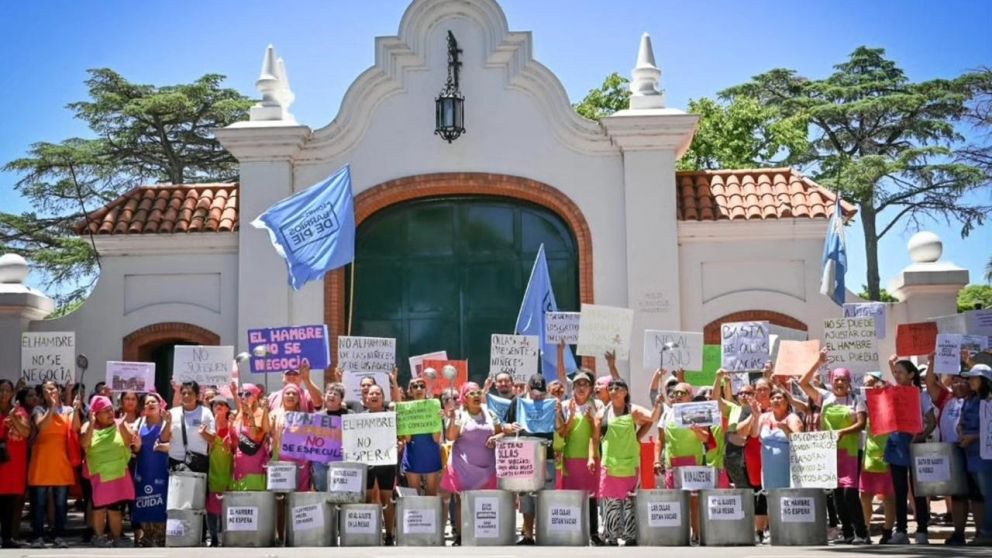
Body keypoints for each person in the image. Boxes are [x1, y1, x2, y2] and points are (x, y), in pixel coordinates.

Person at [800, 356, 869, 545]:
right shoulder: (825, 397)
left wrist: (843, 432)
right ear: (832, 381)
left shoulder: (857, 400)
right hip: (830, 452)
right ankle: (847, 533)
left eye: (843, 380)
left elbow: (861, 423)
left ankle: (861, 533)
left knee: (850, 493)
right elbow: (802, 382)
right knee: (837, 494)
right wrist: (818, 362)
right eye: (837, 379)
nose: (840, 383)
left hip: (853, 452)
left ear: (848, 382)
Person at [594, 378, 661, 546]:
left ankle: (630, 535)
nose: (613, 390)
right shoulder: (601, 414)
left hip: (630, 462)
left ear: (625, 392)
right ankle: (611, 535)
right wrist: (591, 457)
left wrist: (657, 404)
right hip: (609, 462)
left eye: (618, 387)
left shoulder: (633, 411)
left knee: (629, 500)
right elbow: (595, 439)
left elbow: (652, 418)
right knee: (611, 501)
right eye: (610, 387)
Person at [924, 352, 979, 546]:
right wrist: (931, 361)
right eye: (954, 381)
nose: (957, 385)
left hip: (974, 450)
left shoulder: (978, 399)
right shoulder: (946, 398)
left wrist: (969, 361)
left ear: (970, 383)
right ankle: (958, 533)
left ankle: (981, 532)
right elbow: (930, 383)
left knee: (976, 495)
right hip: (951, 451)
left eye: (962, 381)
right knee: (957, 495)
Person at [443, 382, 502, 546]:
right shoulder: (459, 414)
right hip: (463, 467)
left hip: (488, 467)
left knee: (485, 503)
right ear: (465, 398)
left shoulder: (490, 413)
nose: (476, 396)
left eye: (478, 393)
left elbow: (501, 432)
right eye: (471, 393)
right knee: (463, 502)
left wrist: (497, 437)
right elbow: (451, 437)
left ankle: (483, 535)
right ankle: (461, 537)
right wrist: (453, 418)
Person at [884, 356, 934, 544]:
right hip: (896, 443)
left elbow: (931, 421)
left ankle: (922, 530)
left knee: (918, 489)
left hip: (915, 444)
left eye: (900, 373)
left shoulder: (921, 395)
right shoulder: (892, 392)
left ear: (911, 375)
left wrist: (920, 436)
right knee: (899, 489)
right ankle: (901, 531)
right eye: (894, 372)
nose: (896, 376)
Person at [503, 374, 558, 545]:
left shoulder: (552, 403)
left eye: (541, 393)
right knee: (526, 497)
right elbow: (504, 425)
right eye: (534, 392)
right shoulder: (517, 402)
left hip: (547, 455)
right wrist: (511, 427)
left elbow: (562, 428)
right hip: (525, 457)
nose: (537, 396)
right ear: (527, 388)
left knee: (546, 495)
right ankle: (528, 534)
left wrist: (559, 413)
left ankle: (546, 533)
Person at [28, 380, 81, 548]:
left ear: (59, 390)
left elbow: (76, 428)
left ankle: (59, 535)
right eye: (45, 390)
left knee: (60, 503)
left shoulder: (68, 410)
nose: (49, 392)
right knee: (39, 503)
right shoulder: (39, 410)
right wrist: (51, 408)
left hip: (61, 462)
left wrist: (77, 409)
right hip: (41, 461)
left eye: (52, 389)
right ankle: (38, 536)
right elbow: (41, 426)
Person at [655, 382, 711, 541]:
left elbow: (705, 438)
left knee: (694, 500)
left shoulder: (697, 412)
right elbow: (660, 440)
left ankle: (696, 533)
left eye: (682, 393)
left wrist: (696, 430)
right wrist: (656, 461)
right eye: (675, 393)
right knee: (675, 500)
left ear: (690, 396)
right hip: (672, 463)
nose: (678, 396)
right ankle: (679, 534)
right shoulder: (667, 414)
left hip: (693, 462)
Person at [81, 395, 138, 547]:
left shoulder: (120, 424)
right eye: (105, 411)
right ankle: (99, 537)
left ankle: (116, 539)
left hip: (118, 474)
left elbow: (128, 442)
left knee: (115, 509)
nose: (110, 413)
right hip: (99, 476)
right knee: (99, 508)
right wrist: (92, 423)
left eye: (110, 410)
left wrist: (121, 425)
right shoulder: (87, 426)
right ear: (95, 414)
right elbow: (84, 444)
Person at [557, 370, 605, 545]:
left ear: (591, 388)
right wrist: (569, 418)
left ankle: (593, 532)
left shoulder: (598, 405)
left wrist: (591, 421)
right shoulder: (564, 405)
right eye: (578, 384)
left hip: (591, 457)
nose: (582, 387)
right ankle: (572, 531)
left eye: (585, 384)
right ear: (573, 387)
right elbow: (561, 433)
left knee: (591, 496)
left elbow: (597, 433)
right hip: (570, 457)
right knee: (572, 496)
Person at [957, 362, 992, 545]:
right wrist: (962, 433)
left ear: (983, 380)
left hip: (986, 456)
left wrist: (973, 437)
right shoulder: (969, 400)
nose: (969, 381)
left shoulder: (990, 401)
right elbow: (961, 422)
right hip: (970, 454)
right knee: (981, 493)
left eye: (973, 377)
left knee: (988, 493)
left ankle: (987, 532)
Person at [860, 371, 895, 545]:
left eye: (874, 382)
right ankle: (865, 529)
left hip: (888, 455)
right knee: (865, 495)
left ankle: (888, 531)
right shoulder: (863, 405)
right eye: (867, 384)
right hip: (869, 457)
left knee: (889, 496)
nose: (871, 386)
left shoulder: (890, 402)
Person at [132, 393, 170, 547]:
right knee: (143, 502)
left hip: (161, 468)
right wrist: (137, 445)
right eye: (147, 403)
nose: (150, 404)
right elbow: (134, 447)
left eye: (154, 401)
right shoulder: (139, 422)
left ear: (160, 404)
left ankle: (161, 537)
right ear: (143, 407)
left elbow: (172, 444)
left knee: (161, 502)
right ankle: (146, 537)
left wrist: (168, 424)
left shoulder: (167, 422)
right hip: (143, 469)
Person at [363, 384, 398, 545]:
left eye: (378, 393)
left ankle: (389, 534)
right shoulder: (359, 418)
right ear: (366, 398)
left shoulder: (391, 417)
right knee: (367, 498)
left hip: (386, 461)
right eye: (371, 393)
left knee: (387, 499)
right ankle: (369, 534)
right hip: (366, 462)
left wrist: (399, 442)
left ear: (383, 398)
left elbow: (400, 436)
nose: (374, 395)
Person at [0, 379, 30, 548]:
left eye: (7, 390)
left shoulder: (19, 411)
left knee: (11, 501)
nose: (4, 393)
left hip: (13, 462)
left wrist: (12, 416)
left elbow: (25, 432)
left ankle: (8, 537)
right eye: (1, 390)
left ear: (12, 393)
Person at [401, 377, 442, 496]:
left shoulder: (434, 407)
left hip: (431, 453)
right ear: (410, 391)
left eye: (422, 386)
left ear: (426, 390)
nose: (419, 389)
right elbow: (408, 439)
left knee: (431, 496)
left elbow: (436, 439)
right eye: (415, 386)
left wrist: (437, 419)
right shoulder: (405, 410)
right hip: (412, 454)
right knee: (415, 496)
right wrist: (403, 420)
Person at [756, 387, 803, 490]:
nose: (775, 400)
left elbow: (799, 442)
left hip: (787, 467)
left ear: (786, 401)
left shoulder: (792, 418)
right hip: (769, 469)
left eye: (779, 398)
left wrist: (786, 429)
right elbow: (755, 435)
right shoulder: (764, 417)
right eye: (772, 398)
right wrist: (755, 415)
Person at [270, 383, 312, 490]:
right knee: (280, 494)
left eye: (294, 394)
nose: (291, 396)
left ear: (299, 398)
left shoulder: (305, 417)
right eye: (287, 393)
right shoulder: (273, 414)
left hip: (301, 462)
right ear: (282, 396)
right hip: (280, 460)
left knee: (300, 494)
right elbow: (266, 432)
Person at [168, 381, 214, 474]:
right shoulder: (172, 413)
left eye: (190, 393)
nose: (186, 396)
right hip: (175, 463)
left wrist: (204, 433)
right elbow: (164, 438)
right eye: (184, 393)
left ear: (197, 396)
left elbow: (212, 439)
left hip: (198, 464)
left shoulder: (206, 413)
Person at [230, 383, 269, 491]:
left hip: (254, 466)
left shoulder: (261, 414)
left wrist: (251, 416)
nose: (243, 397)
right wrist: (234, 393)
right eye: (241, 394)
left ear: (255, 397)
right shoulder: (240, 414)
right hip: (239, 467)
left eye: (247, 394)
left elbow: (255, 436)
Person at [311, 383, 350, 492]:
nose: (331, 395)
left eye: (335, 394)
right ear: (324, 396)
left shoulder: (350, 416)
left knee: (342, 494)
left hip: (343, 462)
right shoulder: (316, 417)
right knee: (323, 493)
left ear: (341, 399)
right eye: (329, 393)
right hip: (321, 464)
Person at [206, 396, 234, 547]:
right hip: (213, 468)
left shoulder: (233, 424)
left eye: (222, 404)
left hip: (229, 468)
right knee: (211, 506)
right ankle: (213, 537)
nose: (219, 406)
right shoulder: (208, 425)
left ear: (227, 408)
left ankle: (225, 536)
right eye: (215, 404)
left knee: (226, 504)